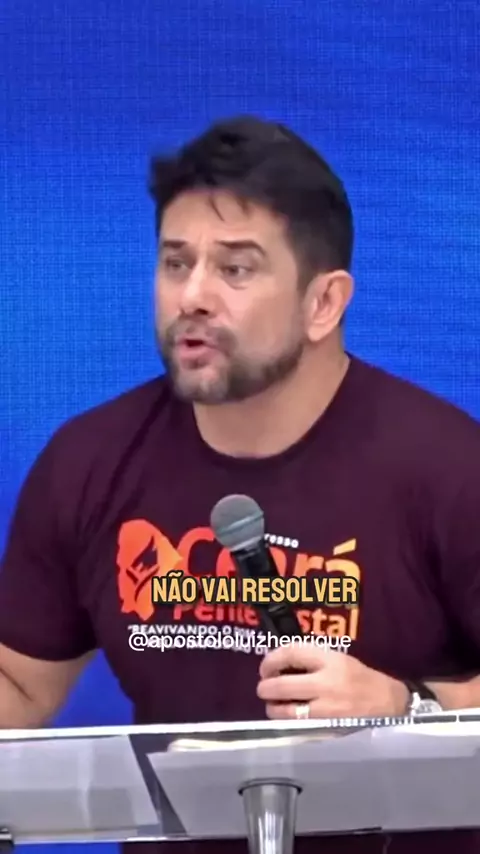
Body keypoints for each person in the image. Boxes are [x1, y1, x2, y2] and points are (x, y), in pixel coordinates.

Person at [1, 114, 480, 854]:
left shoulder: (449, 469)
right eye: (175, 262)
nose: (192, 296)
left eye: (235, 269)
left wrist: (407, 710)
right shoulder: (89, 462)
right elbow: (20, 683)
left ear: (324, 303)